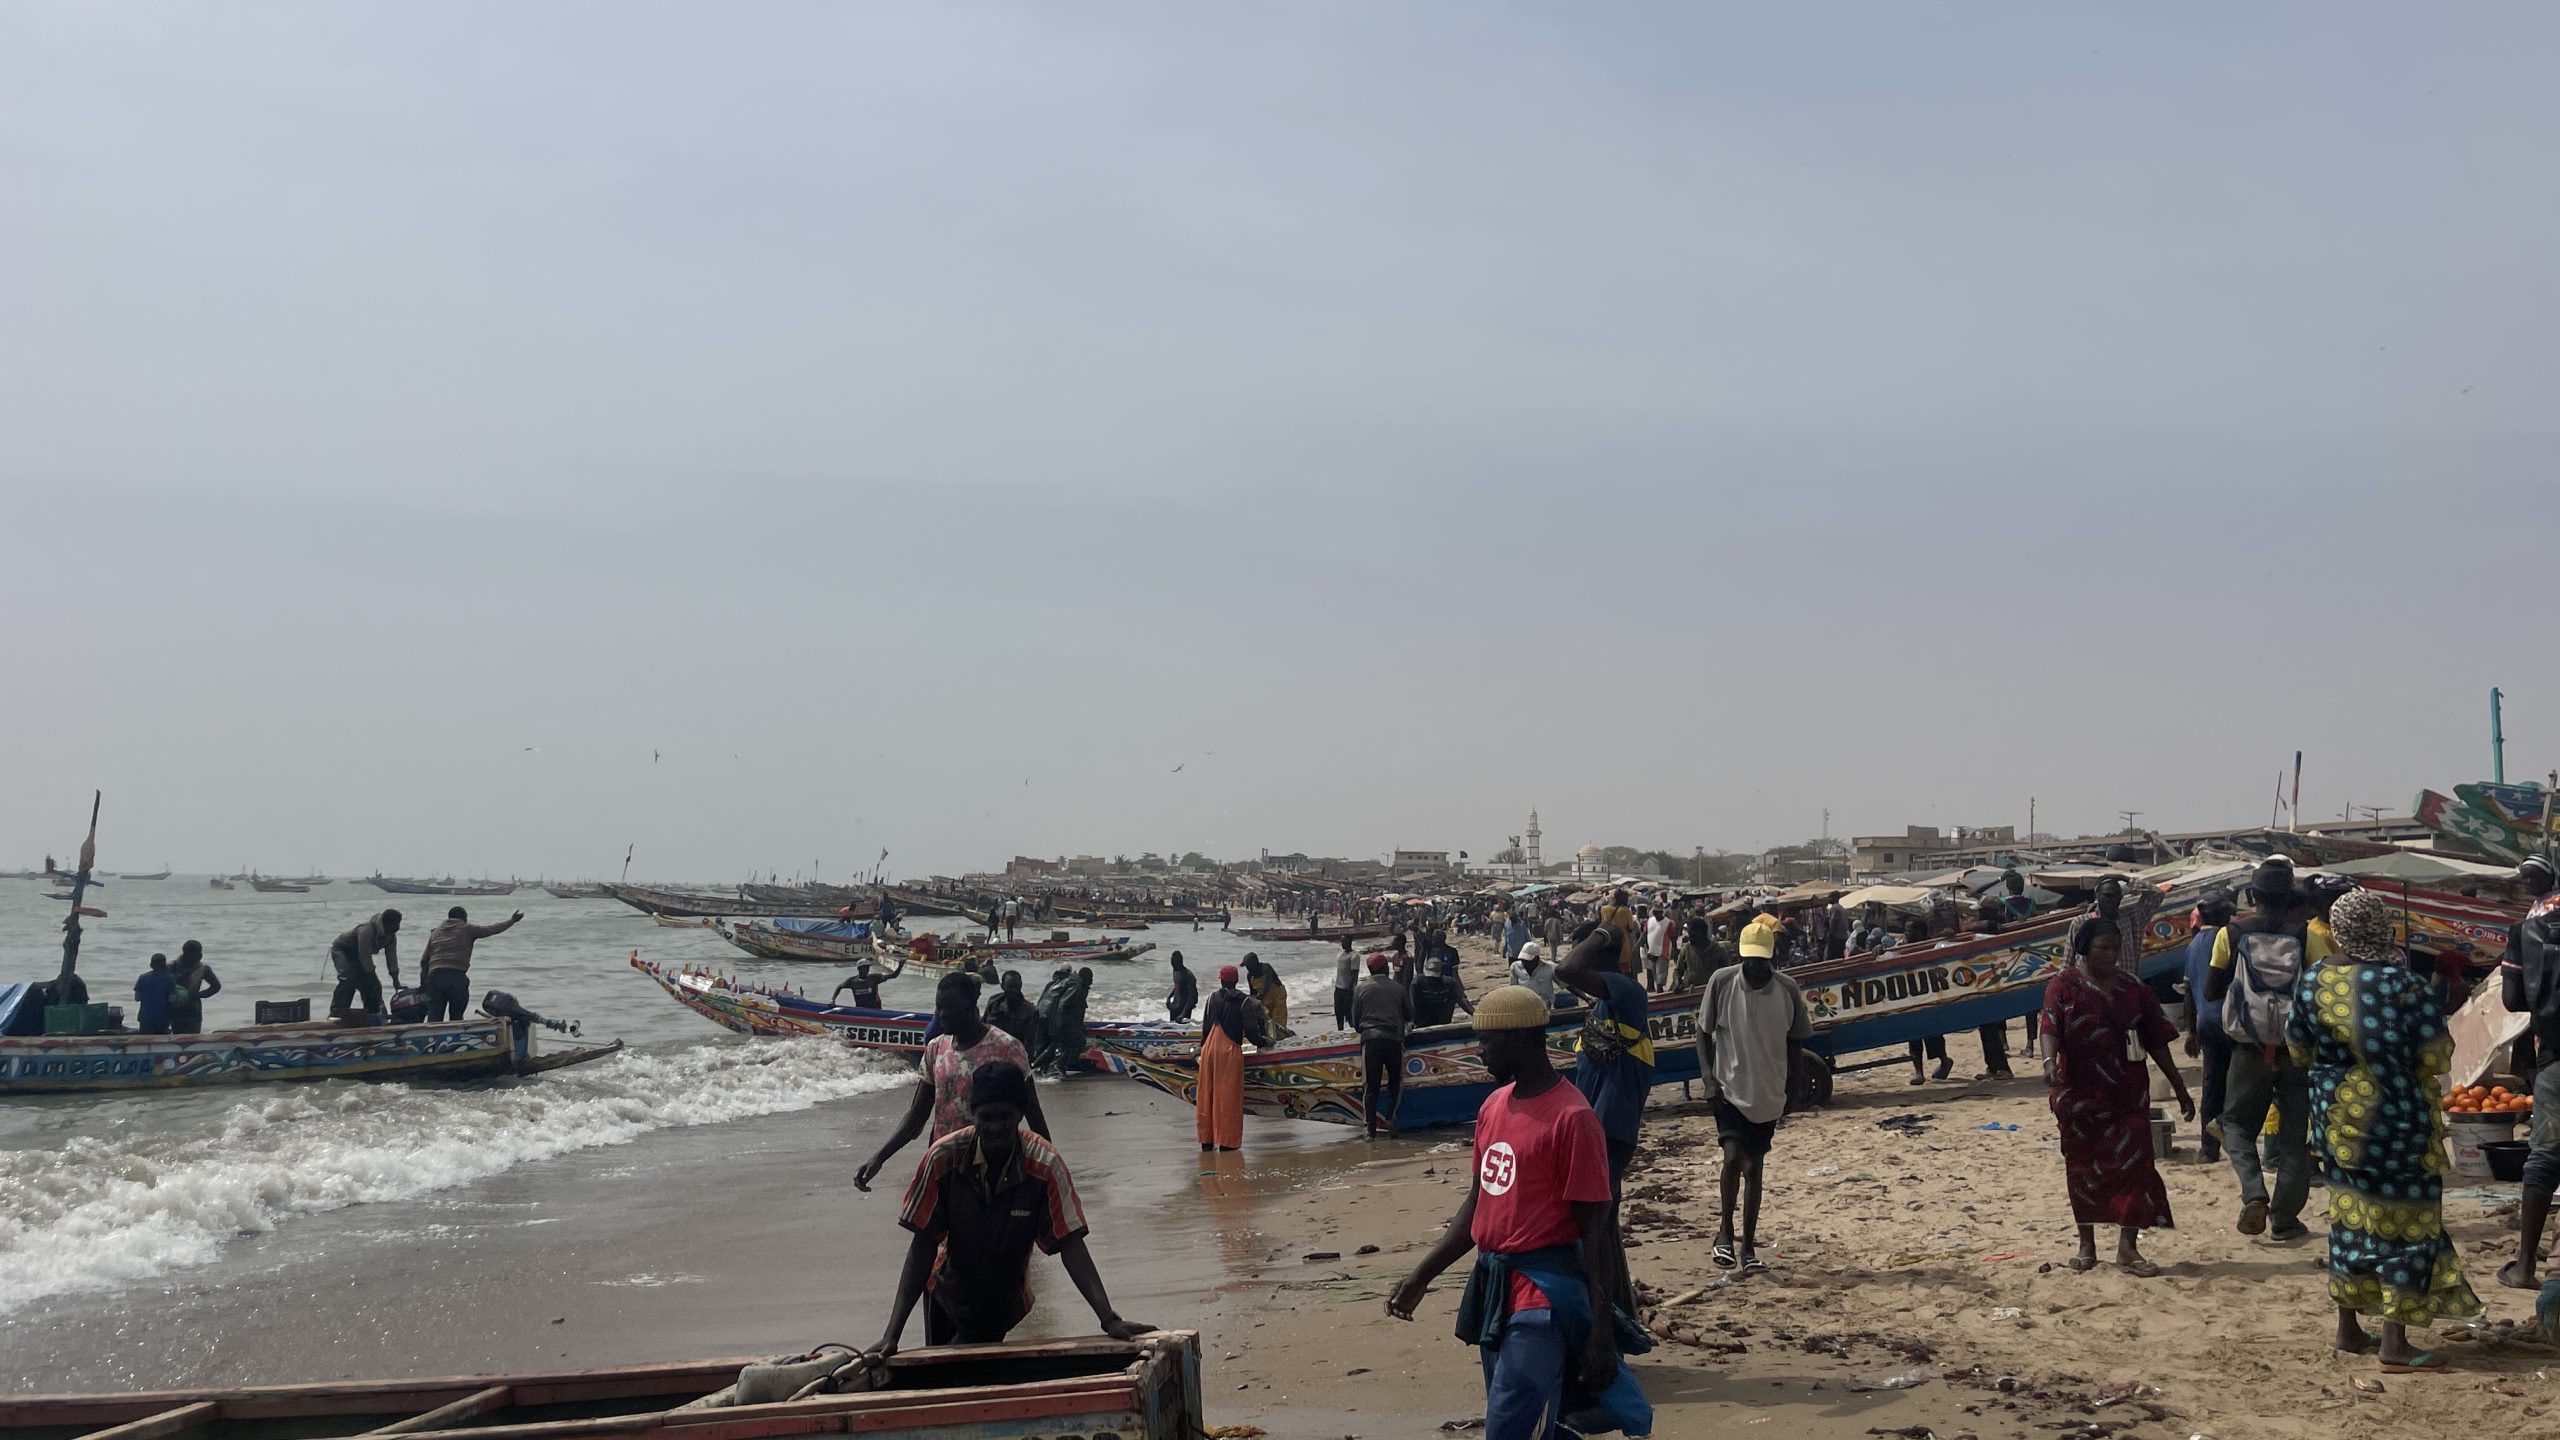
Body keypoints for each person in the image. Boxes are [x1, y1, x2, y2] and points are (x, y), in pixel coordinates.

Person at [1385, 986, 1648, 1440]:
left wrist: (1601, 1333)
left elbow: (1597, 1234)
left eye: (1488, 1041)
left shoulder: (1573, 1118)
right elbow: (1478, 1203)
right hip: (1494, 1289)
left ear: (1523, 1039)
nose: (1480, 1051)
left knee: (1508, 1424)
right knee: (1533, 1422)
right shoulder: (1493, 1107)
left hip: (1543, 1298)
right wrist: (1421, 1276)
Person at [2289, 888, 2483, 1369]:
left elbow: (2298, 1048)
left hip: (2335, 1121)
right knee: (2407, 1225)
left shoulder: (2313, 980)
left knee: (2350, 1218)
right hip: (2397, 1125)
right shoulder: (2405, 986)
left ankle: (2349, 1330)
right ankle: (2394, 1343)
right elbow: (2436, 1055)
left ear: (2338, 931)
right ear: (2383, 929)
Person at [871, 1061, 1151, 1353]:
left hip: (1003, 1300)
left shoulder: (1044, 1165)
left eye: (1004, 1117)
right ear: (973, 1114)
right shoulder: (942, 1158)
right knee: (942, 1369)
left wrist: (1108, 1319)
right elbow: (923, 1244)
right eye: (986, 1117)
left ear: (1020, 1114)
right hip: (946, 1291)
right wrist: (892, 1335)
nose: (995, 1127)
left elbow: (1070, 1243)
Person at [2042, 920, 2193, 1277]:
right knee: (2082, 1167)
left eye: (2115, 948)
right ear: (2084, 949)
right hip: (2079, 1093)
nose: (2110, 955)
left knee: (2135, 1167)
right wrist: (2048, 1062)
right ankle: (2087, 1244)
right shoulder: (2063, 985)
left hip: (2128, 1093)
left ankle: (2128, 1247)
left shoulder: (2133, 988)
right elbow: (2049, 1026)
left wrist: (2180, 1087)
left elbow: (2157, 1040)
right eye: (2102, 948)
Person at [2206, 856, 2332, 1243]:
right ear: (2289, 894)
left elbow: (2211, 990)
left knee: (2234, 1125)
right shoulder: (2305, 936)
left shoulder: (2231, 933)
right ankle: (2285, 1219)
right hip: (2296, 1048)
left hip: (2248, 1045)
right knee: (2294, 1137)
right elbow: (2321, 988)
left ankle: (2254, 1192)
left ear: (2253, 894)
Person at [853, 972, 1045, 1192]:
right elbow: (917, 1114)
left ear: (971, 1004)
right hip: (944, 1164)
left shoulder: (1006, 1048)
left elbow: (1032, 1110)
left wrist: (1047, 1166)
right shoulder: (936, 1049)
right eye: (939, 1008)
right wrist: (880, 1157)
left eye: (950, 1007)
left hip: (994, 1167)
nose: (942, 1015)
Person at [1694, 917, 1810, 1274]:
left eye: (1762, 960)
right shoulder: (1722, 982)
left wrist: (1795, 1087)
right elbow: (1703, 1032)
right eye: (1750, 960)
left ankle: (1748, 1247)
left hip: (1768, 1091)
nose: (1756, 967)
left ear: (1771, 958)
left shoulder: (1787, 989)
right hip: (1730, 1088)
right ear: (1741, 956)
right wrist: (1708, 1080)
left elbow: (1796, 1041)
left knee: (1754, 1169)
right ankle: (1724, 1233)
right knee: (1732, 1158)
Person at [2499, 857, 2560, 1291]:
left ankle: (2525, 1266)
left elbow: (2512, 1000)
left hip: (2554, 1053)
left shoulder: (2524, 930)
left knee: (2545, 1155)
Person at [1557, 923, 1654, 1197]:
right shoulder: (1604, 1004)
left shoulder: (1627, 991)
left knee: (1601, 1199)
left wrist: (1602, 934)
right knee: (1602, 1201)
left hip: (1613, 1120)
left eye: (1579, 951)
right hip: (1596, 1120)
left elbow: (1564, 970)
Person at [2181, 888, 2239, 1162]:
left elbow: (2188, 991)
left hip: (2205, 1022)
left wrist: (2191, 1031)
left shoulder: (2192, 946)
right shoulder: (2227, 938)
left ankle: (2208, 1148)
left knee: (2212, 1085)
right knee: (2241, 1083)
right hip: (2232, 1021)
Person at [1197, 965, 1269, 1151]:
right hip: (1229, 1052)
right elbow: (1251, 1032)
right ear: (1236, 981)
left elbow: (1205, 1029)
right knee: (1228, 1097)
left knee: (1207, 1095)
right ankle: (1227, 1142)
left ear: (1221, 980)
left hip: (1208, 1050)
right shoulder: (1244, 1002)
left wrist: (1200, 1051)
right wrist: (1264, 1043)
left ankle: (1206, 1141)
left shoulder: (1212, 998)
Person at [418, 907, 524, 1023]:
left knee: (434, 1018)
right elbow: (492, 929)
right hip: (456, 977)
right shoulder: (467, 928)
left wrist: (424, 984)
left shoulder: (436, 932)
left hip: (434, 978)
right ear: (464, 918)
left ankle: (433, 1035)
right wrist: (511, 921)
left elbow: (424, 961)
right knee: (456, 1017)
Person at [1354, 952, 1415, 1138]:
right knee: (1395, 1083)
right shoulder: (1398, 988)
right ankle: (1390, 1118)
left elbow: (1356, 1021)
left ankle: (1370, 1129)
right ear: (1386, 968)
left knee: (1370, 1086)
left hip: (1371, 1040)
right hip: (1393, 1040)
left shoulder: (1360, 989)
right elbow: (1409, 1014)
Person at [328, 910, 403, 1024]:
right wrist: (372, 977)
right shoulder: (366, 930)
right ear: (386, 923)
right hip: (343, 950)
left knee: (372, 987)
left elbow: (391, 958)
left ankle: (373, 1014)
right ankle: (336, 1014)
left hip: (359, 955)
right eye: (394, 924)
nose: (397, 927)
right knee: (348, 980)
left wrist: (396, 981)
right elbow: (365, 955)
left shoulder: (391, 937)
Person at [1034, 966, 1094, 1073]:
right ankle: (1061, 1065)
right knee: (1079, 1041)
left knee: (1052, 1045)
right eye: (1091, 978)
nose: (1092, 981)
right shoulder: (1076, 986)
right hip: (1058, 1021)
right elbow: (1064, 1004)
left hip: (1044, 1017)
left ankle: (1039, 1068)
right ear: (1085, 977)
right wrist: (1060, 1026)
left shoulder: (1065, 981)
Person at [166, 940, 220, 1035]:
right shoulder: (170, 967)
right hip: (175, 1009)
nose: (200, 956)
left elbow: (216, 986)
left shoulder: (203, 968)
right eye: (196, 953)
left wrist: (198, 995)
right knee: (177, 1037)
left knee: (193, 1038)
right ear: (186, 953)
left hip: (193, 1009)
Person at [982, 969, 1041, 1051]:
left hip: (1015, 1053)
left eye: (1016, 986)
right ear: (1002, 986)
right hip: (991, 1050)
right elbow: (983, 1028)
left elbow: (1030, 1044)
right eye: (1009, 987)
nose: (1014, 990)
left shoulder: (1030, 1011)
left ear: (1021, 985)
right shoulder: (994, 1002)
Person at [1242, 953, 1289, 1037]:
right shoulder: (1250, 976)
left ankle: (1282, 1039)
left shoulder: (1266, 968)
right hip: (1265, 1001)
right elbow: (1253, 993)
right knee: (1268, 1025)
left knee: (1278, 1021)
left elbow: (1266, 986)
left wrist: (1258, 998)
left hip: (1278, 998)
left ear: (1254, 964)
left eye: (1248, 965)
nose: (1247, 968)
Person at [1598, 889, 1638, 975]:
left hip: (1608, 940)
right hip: (1623, 942)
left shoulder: (1604, 909)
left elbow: (1603, 923)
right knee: (1624, 968)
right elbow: (1631, 928)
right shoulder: (1626, 910)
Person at [133, 953, 175, 1036]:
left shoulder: (142, 977)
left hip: (145, 1017)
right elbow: (172, 1000)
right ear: (165, 965)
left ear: (151, 964)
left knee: (145, 1040)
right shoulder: (170, 979)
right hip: (163, 1018)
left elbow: (137, 998)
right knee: (162, 1041)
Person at [1510, 940, 1557, 1005]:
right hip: (1524, 1005)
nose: (1524, 962)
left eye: (1528, 960)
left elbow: (1564, 984)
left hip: (1544, 1004)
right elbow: (1512, 989)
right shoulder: (1515, 966)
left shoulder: (1550, 967)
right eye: (1523, 959)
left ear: (1536, 958)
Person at [1332, 936, 1361, 1031]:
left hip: (1347, 989)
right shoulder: (1340, 955)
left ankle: (1355, 1031)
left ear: (1350, 941)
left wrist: (1351, 990)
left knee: (1349, 1014)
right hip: (1338, 988)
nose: (1342, 943)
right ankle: (1340, 1031)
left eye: (1344, 941)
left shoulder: (1354, 956)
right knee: (1338, 1014)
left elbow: (1354, 975)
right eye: (1341, 941)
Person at [1164, 950, 1199, 1024]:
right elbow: (1177, 985)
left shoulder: (1189, 976)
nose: (1173, 966)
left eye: (1174, 964)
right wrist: (1169, 997)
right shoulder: (1175, 970)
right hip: (1175, 1004)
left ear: (1180, 962)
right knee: (1172, 1026)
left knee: (1182, 1027)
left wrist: (1183, 1014)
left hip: (1185, 1006)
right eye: (1172, 963)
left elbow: (1191, 998)